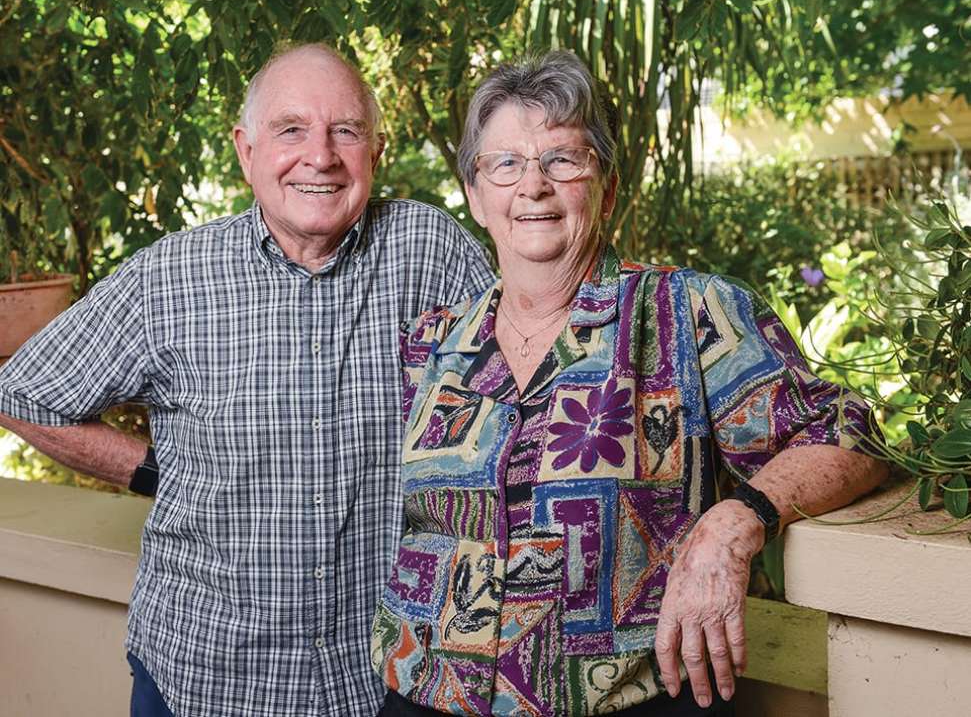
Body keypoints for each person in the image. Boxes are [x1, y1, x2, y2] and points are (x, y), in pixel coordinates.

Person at [370, 50, 888, 716]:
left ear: (606, 186)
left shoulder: (689, 315)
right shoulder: (430, 345)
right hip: (426, 696)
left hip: (630, 701)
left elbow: (849, 434)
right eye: (505, 164)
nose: (532, 186)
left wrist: (735, 521)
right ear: (475, 194)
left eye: (562, 159)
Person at [0, 43, 494, 716]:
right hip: (207, 678)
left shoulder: (430, 252)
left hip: (387, 680)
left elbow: (532, 384)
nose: (319, 156)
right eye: (290, 129)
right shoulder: (169, 279)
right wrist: (150, 471)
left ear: (374, 150)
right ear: (245, 150)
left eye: (344, 131)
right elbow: (23, 393)